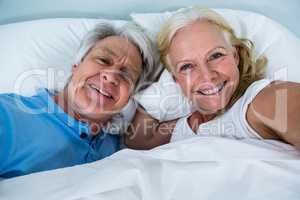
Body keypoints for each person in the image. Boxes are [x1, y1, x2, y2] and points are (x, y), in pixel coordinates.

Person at [125, 7, 300, 150]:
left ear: (235, 56)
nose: (207, 76)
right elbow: (138, 141)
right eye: (187, 66)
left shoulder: (260, 100)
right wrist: (160, 91)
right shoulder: (194, 122)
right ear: (174, 80)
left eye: (216, 55)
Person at [0, 21, 160, 178]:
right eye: (103, 60)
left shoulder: (119, 147)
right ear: (76, 66)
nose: (111, 76)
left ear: (131, 96)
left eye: (126, 74)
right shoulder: (7, 115)